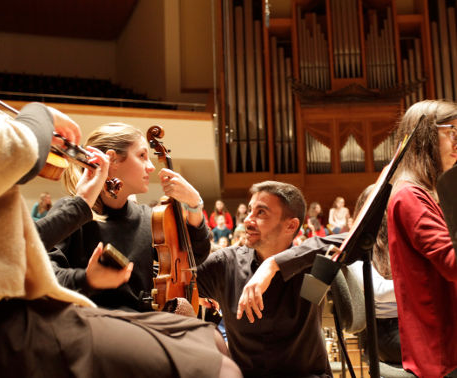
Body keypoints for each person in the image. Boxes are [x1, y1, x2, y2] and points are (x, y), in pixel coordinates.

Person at [0, 1, 240, 376]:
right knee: (216, 366)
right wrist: (39, 113)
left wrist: (193, 209)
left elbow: (191, 258)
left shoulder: (148, 215)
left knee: (211, 339)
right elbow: (15, 150)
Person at [47, 122, 212, 312]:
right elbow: (46, 274)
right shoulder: (71, 213)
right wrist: (87, 278)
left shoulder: (150, 219)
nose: (151, 167)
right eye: (142, 156)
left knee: (209, 336)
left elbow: (194, 257)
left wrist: (194, 205)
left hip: (143, 323)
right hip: (94, 323)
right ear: (112, 160)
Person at [196, 181, 346, 377]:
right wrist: (192, 210)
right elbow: (179, 279)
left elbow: (354, 240)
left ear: (291, 225)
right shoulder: (226, 263)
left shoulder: (312, 263)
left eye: (261, 213)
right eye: (250, 211)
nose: (248, 221)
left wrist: (274, 264)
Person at [386, 100, 457, 378]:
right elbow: (452, 263)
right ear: (427, 135)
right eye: (452, 132)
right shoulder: (410, 196)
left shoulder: (427, 192)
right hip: (442, 348)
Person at [348, 184, 401, 364]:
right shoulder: (356, 247)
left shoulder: (400, 239)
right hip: (384, 331)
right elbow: (379, 291)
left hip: (412, 322)